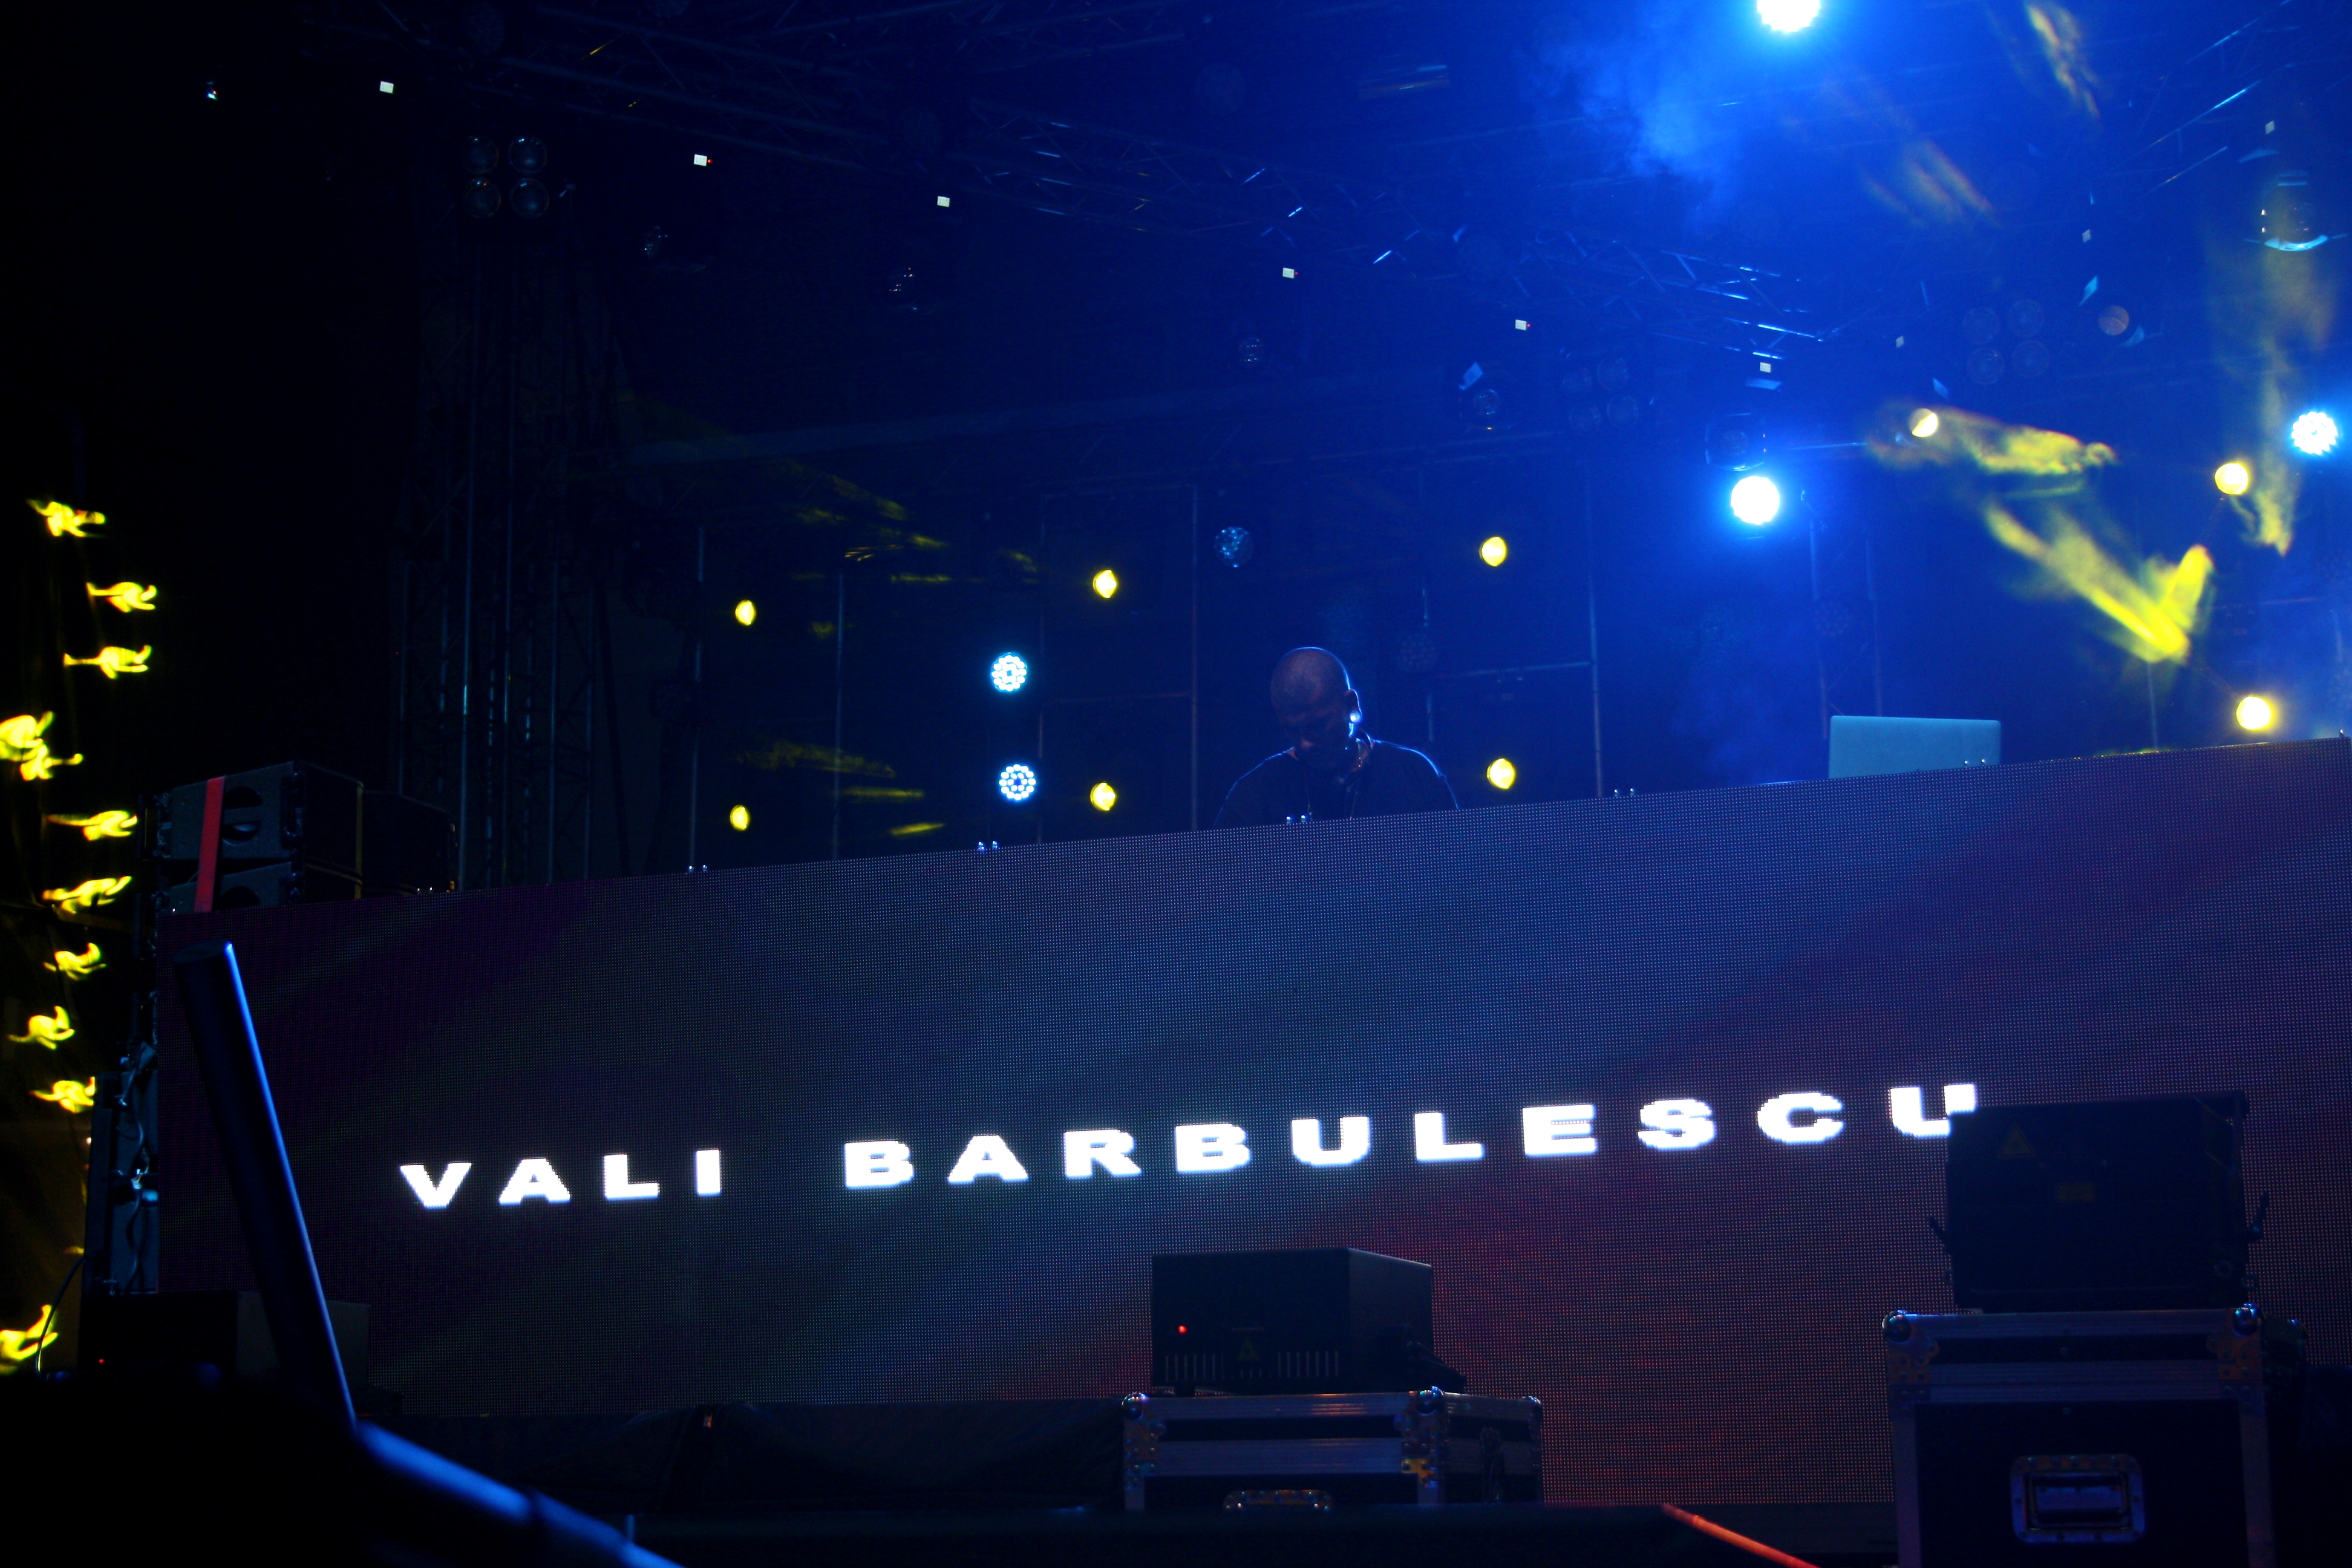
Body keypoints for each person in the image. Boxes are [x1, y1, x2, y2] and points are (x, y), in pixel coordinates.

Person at [1213, 648, 1459, 828]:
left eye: (1317, 725)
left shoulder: (1413, 774)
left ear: (1351, 704)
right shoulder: (1255, 793)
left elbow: (1456, 865)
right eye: (1293, 730)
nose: (1305, 744)